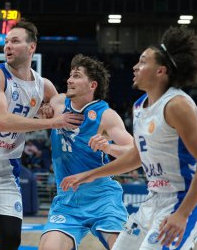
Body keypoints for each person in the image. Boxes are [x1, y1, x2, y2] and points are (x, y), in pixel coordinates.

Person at [61, 26, 197, 250]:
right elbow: (137, 156)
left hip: (183, 200)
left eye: (143, 61)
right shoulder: (139, 106)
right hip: (154, 199)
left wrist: (182, 214)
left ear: (161, 71)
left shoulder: (177, 105)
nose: (135, 66)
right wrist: (88, 175)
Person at [0, 20, 83, 250]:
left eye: (15, 41)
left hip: (4, 166)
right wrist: (52, 120)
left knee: (12, 240)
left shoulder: (43, 85)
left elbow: (60, 101)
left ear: (31, 48)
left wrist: (55, 108)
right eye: (6, 42)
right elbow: (2, 121)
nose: (7, 46)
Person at [39, 54, 133, 250]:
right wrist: (44, 109)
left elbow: (135, 152)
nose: (69, 80)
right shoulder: (58, 103)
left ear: (92, 85)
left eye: (76, 76)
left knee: (124, 248)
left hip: (102, 198)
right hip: (67, 200)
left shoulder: (106, 116)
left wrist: (109, 147)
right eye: (70, 75)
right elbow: (36, 103)